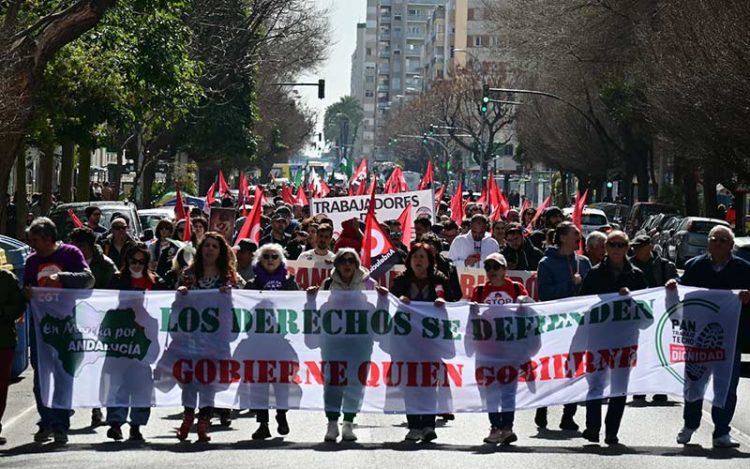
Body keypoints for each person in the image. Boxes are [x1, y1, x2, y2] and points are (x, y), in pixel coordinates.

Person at [669, 225, 750, 448]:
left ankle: (721, 431)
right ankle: (690, 424)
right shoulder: (694, 267)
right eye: (714, 239)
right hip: (697, 340)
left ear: (731, 246)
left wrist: (747, 298)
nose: (717, 243)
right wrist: (673, 287)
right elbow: (682, 296)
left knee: (726, 386)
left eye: (723, 241)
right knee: (695, 382)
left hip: (729, 340)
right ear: (708, 243)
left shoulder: (744, 269)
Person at [24, 217, 95, 444]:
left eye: (35, 240)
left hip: (68, 327)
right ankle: (46, 421)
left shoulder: (70, 254)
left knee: (64, 377)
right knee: (41, 378)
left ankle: (61, 425)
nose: (32, 244)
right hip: (42, 330)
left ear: (47, 238)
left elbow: (88, 280)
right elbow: (26, 289)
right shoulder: (32, 261)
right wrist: (25, 294)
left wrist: (62, 277)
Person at [579, 230, 648, 445]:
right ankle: (592, 427)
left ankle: (611, 431)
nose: (617, 249)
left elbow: (647, 313)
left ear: (627, 248)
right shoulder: (594, 274)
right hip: (598, 339)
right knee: (595, 386)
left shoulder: (637, 275)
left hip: (625, 341)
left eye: (621, 245)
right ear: (606, 248)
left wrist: (631, 300)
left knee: (619, 389)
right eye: (613, 245)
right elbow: (583, 305)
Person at [306, 248, 380, 442]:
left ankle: (348, 422)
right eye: (343, 261)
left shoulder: (369, 284)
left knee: (355, 382)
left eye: (351, 261)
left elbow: (375, 310)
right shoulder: (328, 284)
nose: (347, 264)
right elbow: (322, 307)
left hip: (360, 342)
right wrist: (311, 301)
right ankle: (332, 423)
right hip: (333, 342)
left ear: (356, 265)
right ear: (337, 264)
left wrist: (382, 300)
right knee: (333, 383)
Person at [176, 232, 243, 442]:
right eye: (207, 246)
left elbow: (243, 293)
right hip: (191, 335)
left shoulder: (228, 276)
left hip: (217, 336)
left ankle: (203, 422)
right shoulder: (189, 273)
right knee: (189, 379)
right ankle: (187, 418)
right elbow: (176, 300)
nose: (210, 249)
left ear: (220, 251)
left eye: (215, 246)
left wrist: (229, 292)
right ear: (201, 249)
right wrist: (182, 292)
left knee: (208, 379)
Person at [390, 243, 451, 442]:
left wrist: (442, 300)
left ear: (429, 261)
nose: (418, 260)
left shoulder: (438, 279)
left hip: (431, 342)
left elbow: (447, 295)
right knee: (411, 384)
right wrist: (400, 300)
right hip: (407, 342)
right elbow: (390, 302)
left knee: (428, 383)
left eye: (422, 257)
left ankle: (428, 425)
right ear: (409, 260)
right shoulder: (401, 280)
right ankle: (414, 425)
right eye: (415, 256)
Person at [534, 221, 592, 432]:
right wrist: (570, 283)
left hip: (578, 326)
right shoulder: (546, 263)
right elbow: (545, 294)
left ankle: (569, 414)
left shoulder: (583, 262)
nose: (579, 238)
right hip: (554, 326)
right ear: (562, 238)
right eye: (575, 234)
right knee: (551, 369)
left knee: (575, 370)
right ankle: (542, 407)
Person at [103, 244, 161, 442]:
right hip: (120, 336)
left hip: (144, 336)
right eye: (133, 261)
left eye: (141, 261)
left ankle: (136, 426)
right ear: (126, 261)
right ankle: (116, 424)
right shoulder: (117, 279)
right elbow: (105, 302)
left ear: (146, 263)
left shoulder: (155, 281)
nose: (136, 265)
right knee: (116, 384)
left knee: (141, 384)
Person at [243, 243, 298, 439]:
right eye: (266, 256)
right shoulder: (251, 284)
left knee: (281, 382)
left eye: (274, 256)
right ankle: (262, 424)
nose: (270, 260)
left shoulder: (289, 282)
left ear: (281, 260)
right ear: (259, 260)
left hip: (281, 342)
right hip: (257, 343)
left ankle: (282, 414)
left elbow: (297, 307)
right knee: (259, 383)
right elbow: (243, 309)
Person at [628, 234, 678, 404]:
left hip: (660, 316)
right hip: (637, 316)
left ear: (649, 247)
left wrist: (673, 283)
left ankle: (660, 389)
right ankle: (640, 388)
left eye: (639, 247)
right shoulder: (629, 265)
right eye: (634, 247)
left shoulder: (665, 266)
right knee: (639, 352)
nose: (635, 250)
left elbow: (678, 285)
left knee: (660, 353)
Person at [0, 268, 26, 445]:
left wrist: (2, 312)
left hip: (3, 341)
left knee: (1, 387)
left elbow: (19, 305)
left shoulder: (6, 278)